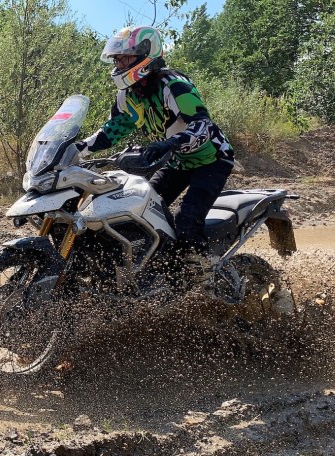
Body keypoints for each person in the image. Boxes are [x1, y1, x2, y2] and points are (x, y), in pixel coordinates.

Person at [75, 25, 235, 287]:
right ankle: (162, 267)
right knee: (142, 212)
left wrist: (171, 142)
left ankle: (205, 275)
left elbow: (202, 125)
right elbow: (112, 130)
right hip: (176, 161)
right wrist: (77, 149)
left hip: (212, 159)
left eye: (124, 58)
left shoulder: (174, 85)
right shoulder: (128, 95)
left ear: (145, 56)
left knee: (187, 219)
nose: (119, 64)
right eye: (117, 59)